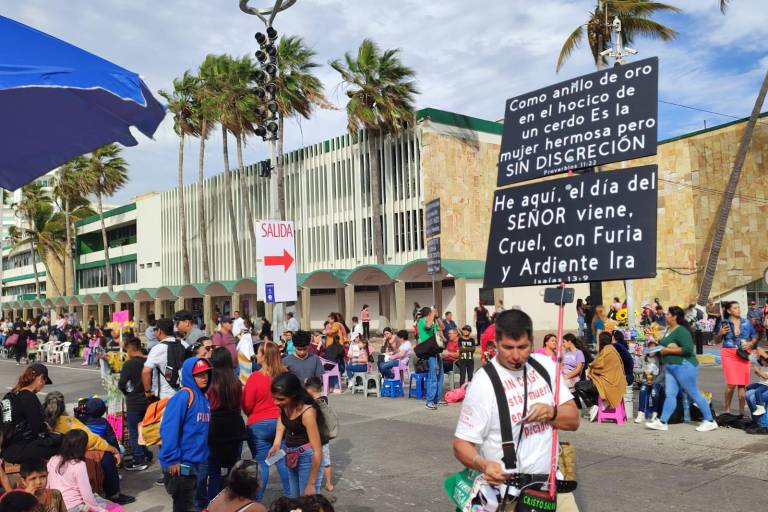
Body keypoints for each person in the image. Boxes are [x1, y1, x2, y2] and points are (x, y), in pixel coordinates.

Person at [452, 309, 580, 510]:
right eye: (508, 347)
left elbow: (573, 420)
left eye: (522, 347)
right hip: (507, 494)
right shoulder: (483, 383)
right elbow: (461, 443)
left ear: (532, 340)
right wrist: (482, 464)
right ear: (495, 342)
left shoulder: (545, 367)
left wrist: (551, 413)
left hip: (552, 486)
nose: (516, 355)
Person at [41, 392, 132, 505]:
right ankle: (113, 494)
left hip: (52, 456)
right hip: (71, 455)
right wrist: (114, 450)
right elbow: (90, 439)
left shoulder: (43, 421)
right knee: (107, 455)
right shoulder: (67, 421)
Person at [646, 306, 718, 432]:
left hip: (684, 366)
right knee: (670, 395)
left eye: (668, 314)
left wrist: (667, 350)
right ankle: (662, 422)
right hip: (671, 367)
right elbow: (666, 345)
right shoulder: (669, 329)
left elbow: (688, 349)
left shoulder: (682, 331)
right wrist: (656, 345)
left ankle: (710, 420)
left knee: (693, 393)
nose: (665, 315)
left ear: (674, 316)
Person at [160, 357, 212, 512]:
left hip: (196, 463)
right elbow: (169, 429)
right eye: (199, 374)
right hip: (181, 464)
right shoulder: (183, 396)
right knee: (184, 505)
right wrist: (173, 459)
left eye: (206, 373)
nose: (204, 377)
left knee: (191, 503)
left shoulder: (203, 398)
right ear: (190, 375)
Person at [243, 342, 291, 501]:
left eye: (258, 353)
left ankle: (257, 501)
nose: (256, 355)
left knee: (262, 464)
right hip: (281, 423)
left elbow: (247, 405)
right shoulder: (285, 375)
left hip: (258, 425)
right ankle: (291, 496)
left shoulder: (255, 378)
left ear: (264, 356)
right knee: (281, 460)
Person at [268, 373, 326, 497]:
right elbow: (281, 421)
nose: (276, 402)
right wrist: (277, 443)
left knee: (306, 502)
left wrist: (311, 484)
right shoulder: (285, 406)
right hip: (291, 454)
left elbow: (317, 451)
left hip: (307, 458)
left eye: (281, 399)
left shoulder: (307, 412)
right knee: (294, 500)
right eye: (274, 398)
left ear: (293, 395)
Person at [206, 347, 247, 505]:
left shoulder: (210, 383)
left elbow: (208, 406)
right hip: (234, 426)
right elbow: (239, 406)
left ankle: (213, 504)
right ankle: (233, 504)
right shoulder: (235, 382)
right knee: (233, 469)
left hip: (215, 427)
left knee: (214, 471)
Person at [0, 364, 58, 464]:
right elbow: (39, 429)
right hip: (20, 449)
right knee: (66, 441)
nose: (43, 386)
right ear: (40, 378)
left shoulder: (12, 395)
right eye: (44, 381)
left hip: (7, 448)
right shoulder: (29, 397)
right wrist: (47, 427)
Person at [46, 430, 117, 512]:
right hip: (74, 506)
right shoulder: (78, 465)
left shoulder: (53, 459)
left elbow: (47, 485)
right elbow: (86, 493)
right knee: (114, 508)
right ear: (83, 446)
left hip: (56, 506)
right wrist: (99, 509)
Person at [715, 301, 758, 415]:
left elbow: (754, 337)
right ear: (729, 311)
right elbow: (716, 341)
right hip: (728, 353)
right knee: (731, 383)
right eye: (735, 308)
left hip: (744, 353)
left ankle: (741, 412)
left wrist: (750, 344)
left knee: (742, 384)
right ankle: (727, 410)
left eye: (739, 307)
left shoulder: (747, 322)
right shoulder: (724, 322)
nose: (738, 309)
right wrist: (720, 333)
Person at [574, 333, 626, 422]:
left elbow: (598, 365)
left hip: (609, 383)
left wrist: (590, 367)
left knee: (578, 385)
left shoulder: (607, 350)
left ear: (601, 341)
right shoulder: (611, 349)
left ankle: (593, 406)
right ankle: (599, 405)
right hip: (615, 382)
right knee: (589, 384)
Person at [117, 337, 151, 471]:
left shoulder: (129, 364)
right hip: (148, 400)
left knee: (134, 432)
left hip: (134, 402)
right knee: (145, 430)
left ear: (130, 349)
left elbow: (121, 384)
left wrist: (128, 394)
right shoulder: (148, 361)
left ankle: (139, 458)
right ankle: (145, 454)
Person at [304, 377, 336, 493]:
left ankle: (312, 482)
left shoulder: (311, 403)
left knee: (312, 461)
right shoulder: (324, 399)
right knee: (327, 462)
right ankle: (329, 483)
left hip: (314, 438)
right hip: (324, 437)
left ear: (309, 390)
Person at [142, 318, 184, 401]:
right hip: (182, 392)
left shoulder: (158, 348)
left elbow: (146, 371)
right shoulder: (183, 344)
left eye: (155, 329)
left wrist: (147, 391)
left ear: (159, 331)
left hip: (164, 396)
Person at [417, 306, 443, 410]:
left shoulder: (433, 321)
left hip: (436, 349)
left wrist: (437, 317)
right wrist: (433, 314)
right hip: (428, 350)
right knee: (432, 375)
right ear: (429, 313)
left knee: (440, 374)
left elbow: (442, 327)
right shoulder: (422, 321)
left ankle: (438, 398)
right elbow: (427, 326)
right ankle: (430, 401)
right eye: (432, 313)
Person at [634, 340, 662, 423]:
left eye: (653, 349)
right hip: (645, 381)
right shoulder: (642, 358)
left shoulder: (659, 359)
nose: (651, 351)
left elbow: (663, 372)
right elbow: (635, 369)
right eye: (649, 348)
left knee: (654, 393)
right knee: (642, 391)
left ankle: (655, 413)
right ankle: (641, 413)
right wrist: (643, 370)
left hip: (656, 381)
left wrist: (656, 373)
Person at [238, 320, 257, 386]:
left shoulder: (243, 338)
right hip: (246, 360)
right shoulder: (248, 336)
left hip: (241, 359)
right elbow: (251, 351)